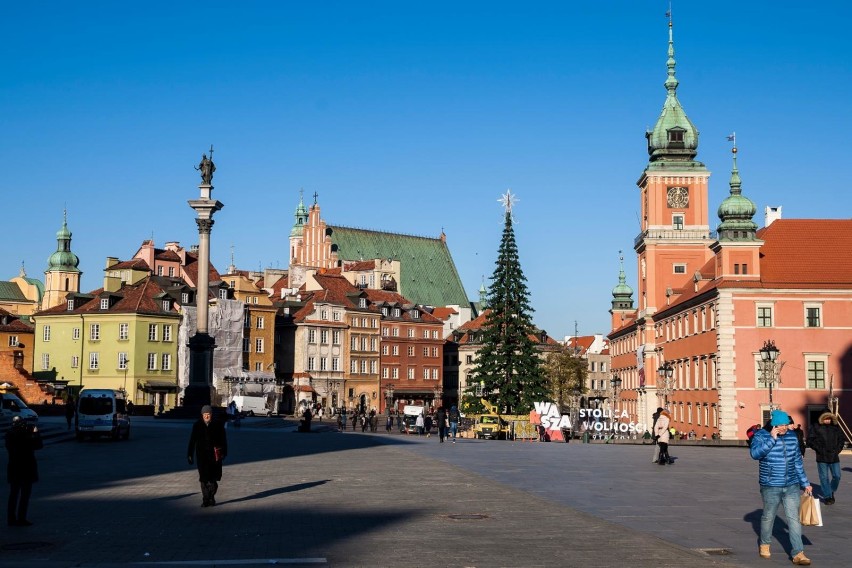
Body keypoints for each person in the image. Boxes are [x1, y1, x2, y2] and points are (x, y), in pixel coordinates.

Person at [749, 409, 812, 565]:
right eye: (781, 425)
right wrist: (772, 439)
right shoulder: (761, 435)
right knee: (768, 517)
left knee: (794, 519)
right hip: (770, 485)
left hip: (791, 484)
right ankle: (765, 544)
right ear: (774, 424)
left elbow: (797, 461)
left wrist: (805, 483)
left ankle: (798, 553)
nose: (784, 428)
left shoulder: (792, 437)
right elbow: (755, 454)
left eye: (786, 424)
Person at [187, 406, 227, 508]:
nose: (206, 416)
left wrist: (224, 452)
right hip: (202, 457)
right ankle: (206, 499)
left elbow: (223, 440)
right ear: (202, 415)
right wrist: (189, 454)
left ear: (211, 415)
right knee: (203, 479)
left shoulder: (218, 425)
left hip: (214, 456)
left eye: (208, 414)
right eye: (204, 414)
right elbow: (192, 440)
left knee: (213, 479)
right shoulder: (197, 425)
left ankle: (211, 497)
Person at [6, 416, 42, 526]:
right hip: (26, 468)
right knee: (24, 495)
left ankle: (11, 518)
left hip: (14, 467)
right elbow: (38, 445)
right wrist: (35, 434)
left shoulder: (10, 435)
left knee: (13, 494)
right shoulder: (26, 436)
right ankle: (21, 518)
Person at [807, 411, 845, 505]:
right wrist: (819, 449)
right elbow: (810, 440)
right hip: (822, 456)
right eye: (825, 418)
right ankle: (828, 497)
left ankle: (830, 490)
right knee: (824, 477)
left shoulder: (836, 427)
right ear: (822, 418)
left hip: (834, 456)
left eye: (829, 418)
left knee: (837, 476)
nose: (827, 420)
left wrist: (838, 450)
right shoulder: (816, 427)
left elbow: (841, 439)